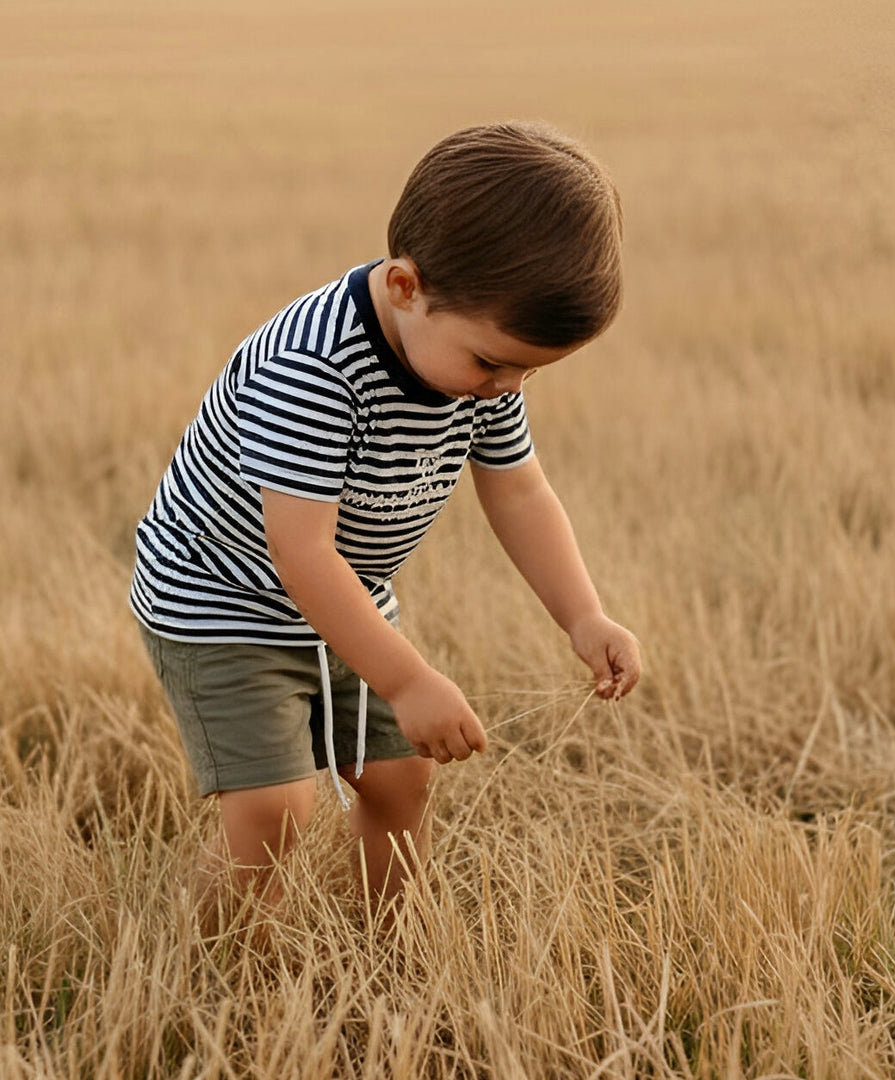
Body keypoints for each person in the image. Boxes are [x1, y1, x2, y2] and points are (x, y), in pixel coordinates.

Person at [131, 121, 641, 921]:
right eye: (492, 362)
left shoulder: (478, 377)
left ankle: (389, 950)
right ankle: (215, 981)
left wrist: (583, 615)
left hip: (349, 597)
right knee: (276, 811)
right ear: (406, 287)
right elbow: (300, 555)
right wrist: (406, 680)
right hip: (222, 602)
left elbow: (519, 493)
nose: (506, 388)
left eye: (527, 372)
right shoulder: (314, 369)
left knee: (402, 779)